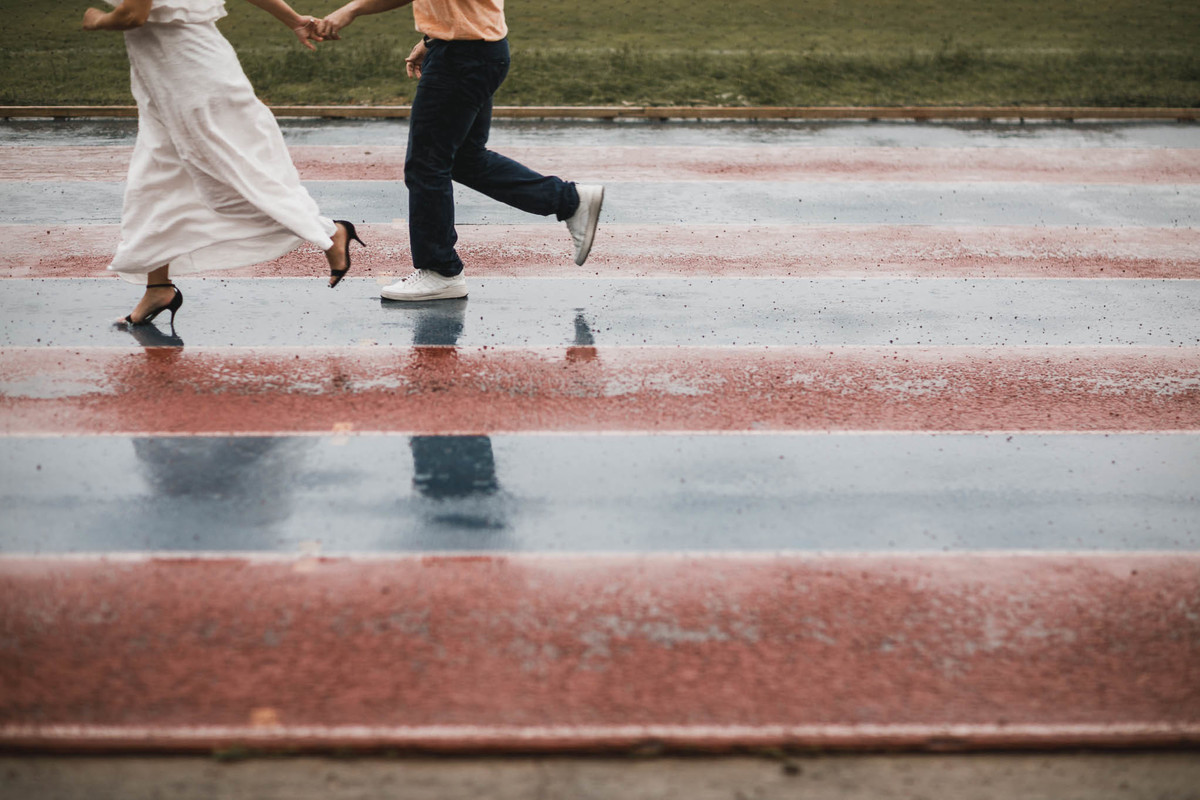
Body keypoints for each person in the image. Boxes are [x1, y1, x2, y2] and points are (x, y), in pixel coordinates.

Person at [82, 0, 366, 328]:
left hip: (189, 73)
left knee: (225, 187)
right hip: (160, 72)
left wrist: (96, 20)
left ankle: (330, 232)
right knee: (156, 178)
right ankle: (158, 287)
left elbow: (133, 15)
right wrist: (293, 20)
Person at [316, 0, 603, 301]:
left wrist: (351, 9)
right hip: (474, 50)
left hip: (462, 57)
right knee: (465, 159)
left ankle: (440, 271)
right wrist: (433, 38)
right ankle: (569, 201)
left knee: (427, 164)